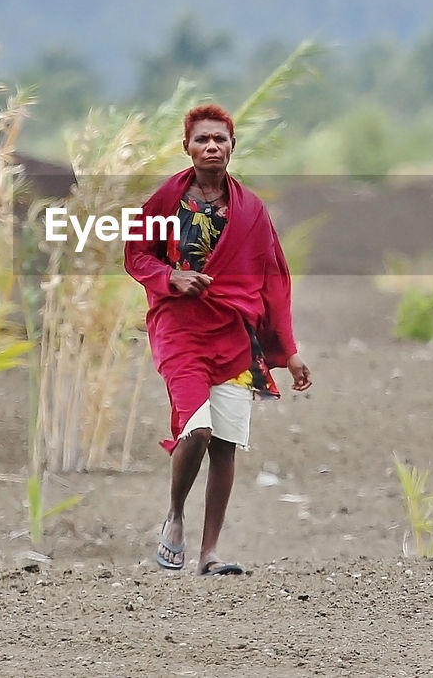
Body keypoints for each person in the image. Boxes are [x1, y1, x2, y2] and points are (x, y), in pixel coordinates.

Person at [124, 103, 312, 575]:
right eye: (202, 139)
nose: (211, 146)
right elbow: (136, 255)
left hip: (234, 335)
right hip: (179, 330)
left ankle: (210, 554)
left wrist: (288, 352)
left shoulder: (250, 211)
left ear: (232, 146)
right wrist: (172, 279)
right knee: (198, 430)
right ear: (186, 147)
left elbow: (273, 281)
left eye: (220, 140)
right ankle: (174, 516)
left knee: (225, 443)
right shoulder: (166, 202)